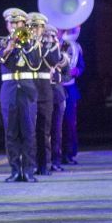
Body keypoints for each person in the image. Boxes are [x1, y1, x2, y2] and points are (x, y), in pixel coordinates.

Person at [0, 8, 40, 183]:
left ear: (23, 24)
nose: (14, 25)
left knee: (29, 130)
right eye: (11, 23)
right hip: (9, 88)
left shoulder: (31, 42)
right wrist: (10, 46)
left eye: (17, 23)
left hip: (27, 89)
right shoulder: (1, 41)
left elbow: (36, 63)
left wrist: (26, 43)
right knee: (11, 132)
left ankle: (28, 170)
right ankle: (14, 170)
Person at [27, 12, 63, 177]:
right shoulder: (27, 44)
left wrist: (44, 44)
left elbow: (54, 61)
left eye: (39, 27)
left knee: (44, 130)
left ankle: (44, 164)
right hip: (29, 91)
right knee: (30, 131)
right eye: (33, 26)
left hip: (45, 92)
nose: (36, 29)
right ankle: (31, 164)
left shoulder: (48, 46)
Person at [44, 25, 69, 173]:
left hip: (57, 96)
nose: (50, 39)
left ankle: (56, 161)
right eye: (47, 35)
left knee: (56, 131)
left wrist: (57, 76)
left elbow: (68, 75)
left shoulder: (62, 55)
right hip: (41, 94)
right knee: (42, 131)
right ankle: (43, 162)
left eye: (52, 36)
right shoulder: (40, 51)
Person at [59, 26, 84, 164]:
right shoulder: (53, 44)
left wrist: (76, 72)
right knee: (54, 124)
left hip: (69, 88)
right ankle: (54, 154)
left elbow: (81, 66)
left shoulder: (76, 47)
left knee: (69, 122)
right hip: (54, 87)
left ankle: (69, 153)